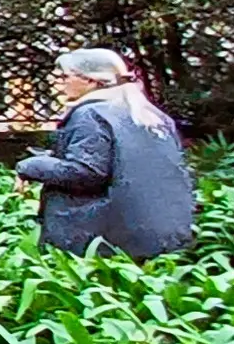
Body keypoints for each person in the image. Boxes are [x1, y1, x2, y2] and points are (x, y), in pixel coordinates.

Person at [13, 49, 196, 259]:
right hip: (163, 235)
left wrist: (30, 166)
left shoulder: (90, 115)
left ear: (91, 81)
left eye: (66, 77)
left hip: (108, 242)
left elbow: (86, 172)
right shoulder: (152, 115)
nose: (60, 83)